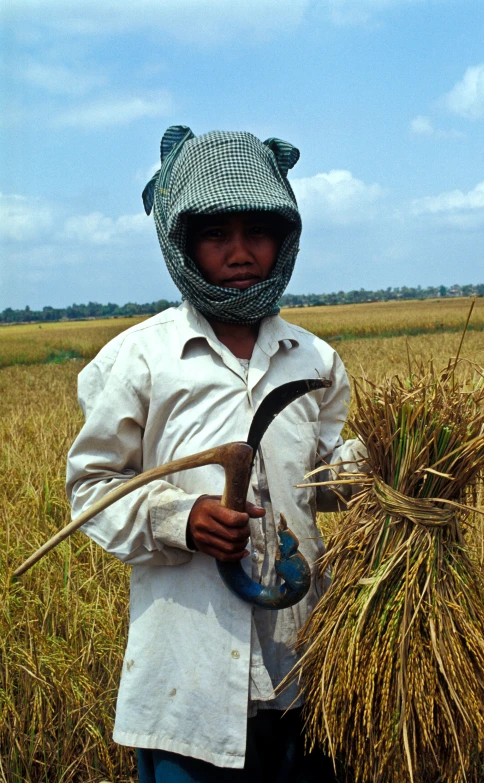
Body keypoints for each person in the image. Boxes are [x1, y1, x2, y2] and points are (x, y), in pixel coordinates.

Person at [66, 126, 366, 782]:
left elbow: (327, 478)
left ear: (285, 238)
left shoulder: (315, 361)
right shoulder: (139, 359)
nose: (238, 253)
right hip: (187, 688)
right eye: (214, 235)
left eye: (257, 231)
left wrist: (385, 473)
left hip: (302, 674)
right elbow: (91, 489)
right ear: (181, 243)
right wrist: (181, 518)